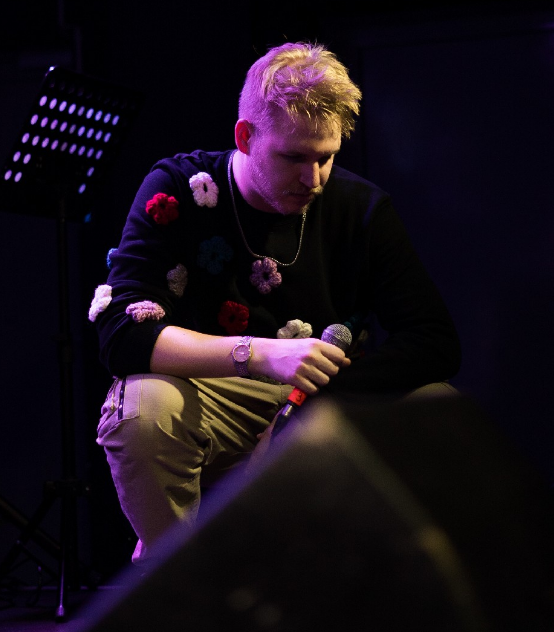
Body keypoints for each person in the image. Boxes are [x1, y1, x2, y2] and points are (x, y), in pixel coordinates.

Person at [88, 41, 461, 567]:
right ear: (246, 137)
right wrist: (259, 353)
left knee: (437, 403)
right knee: (144, 410)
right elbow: (121, 335)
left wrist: (307, 406)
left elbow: (434, 342)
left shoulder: (361, 207)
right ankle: (182, 580)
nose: (313, 179)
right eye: (294, 157)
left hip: (319, 395)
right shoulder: (179, 188)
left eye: (326, 157)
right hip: (209, 392)